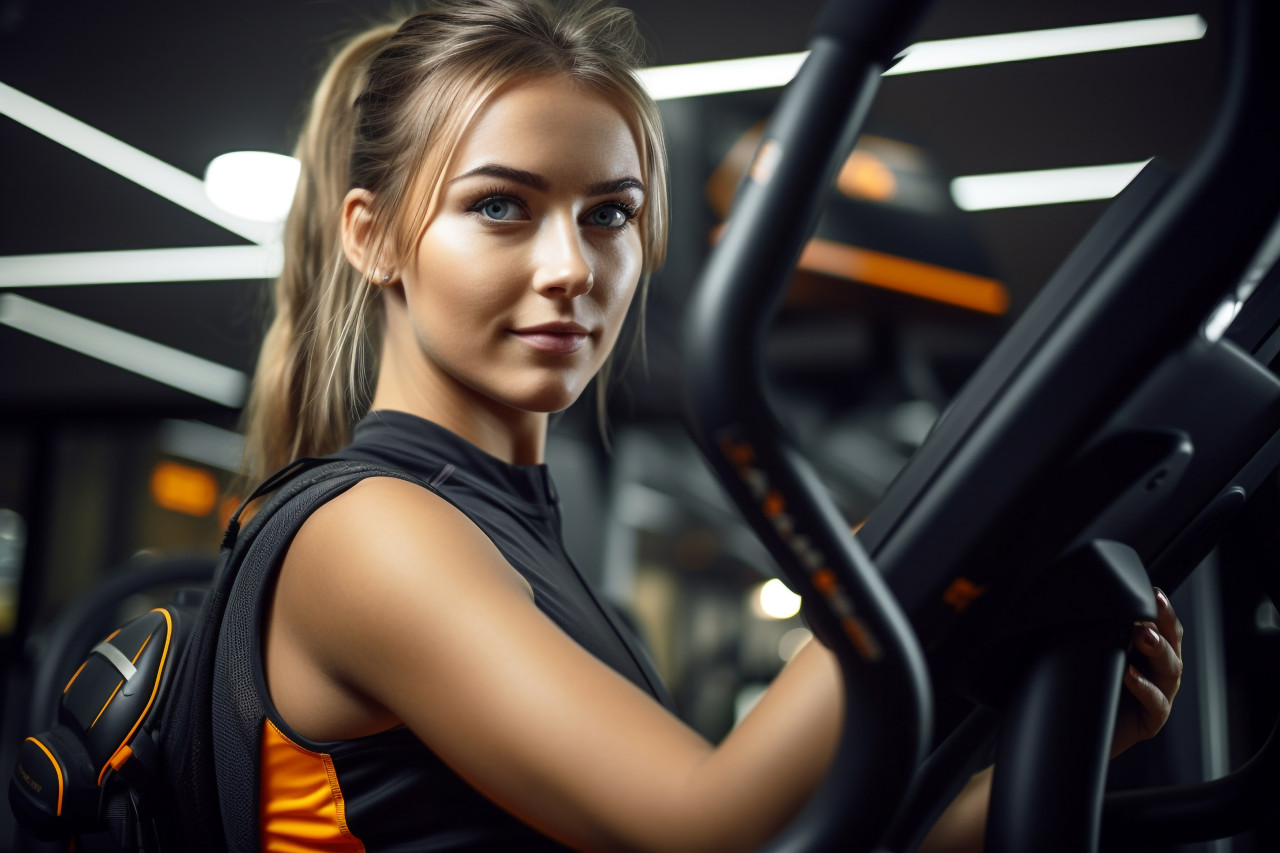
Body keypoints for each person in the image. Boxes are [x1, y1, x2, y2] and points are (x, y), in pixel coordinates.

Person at [233, 1, 1186, 850]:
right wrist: (915, 560)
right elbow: (705, 826)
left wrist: (1063, 741)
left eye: (610, 214)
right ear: (373, 236)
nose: (574, 268)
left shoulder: (517, 540)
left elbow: (783, 838)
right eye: (500, 206)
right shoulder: (369, 532)